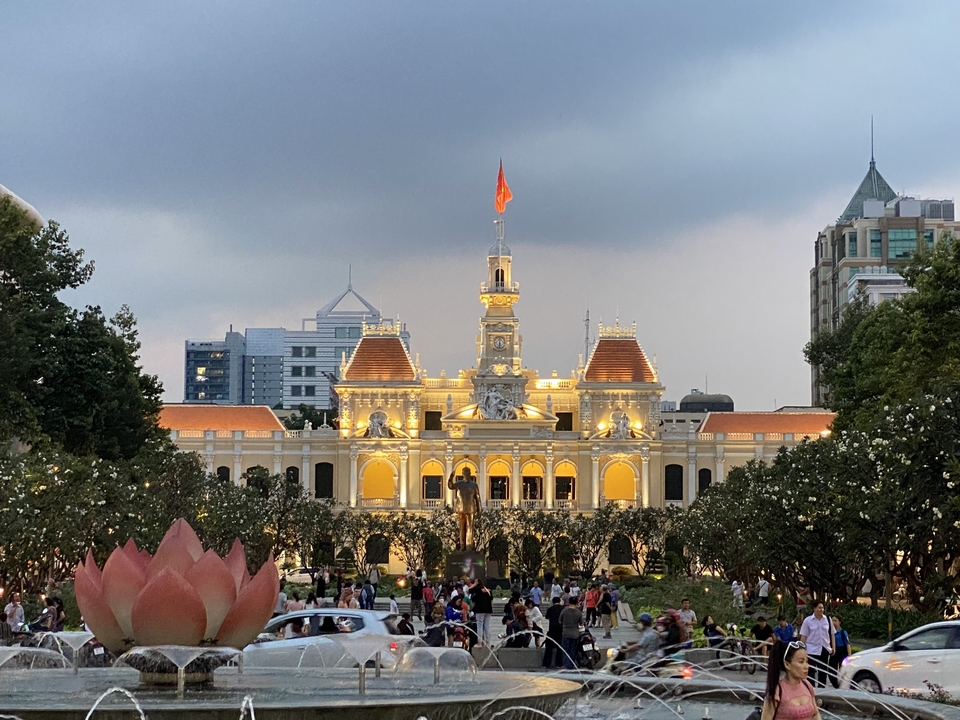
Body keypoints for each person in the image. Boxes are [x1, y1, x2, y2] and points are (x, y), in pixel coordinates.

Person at [760, 640, 821, 720]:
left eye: (806, 661)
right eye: (801, 662)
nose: (807, 666)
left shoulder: (807, 685)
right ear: (787, 664)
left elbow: (815, 714)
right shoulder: (777, 691)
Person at [800, 602, 834, 688]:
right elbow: (804, 636)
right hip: (811, 649)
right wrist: (801, 649)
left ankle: (821, 688)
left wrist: (833, 647)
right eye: (819, 607)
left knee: (823, 670)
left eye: (822, 608)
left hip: (824, 648)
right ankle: (810, 688)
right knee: (811, 670)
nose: (821, 610)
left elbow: (832, 634)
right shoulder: (808, 621)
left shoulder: (828, 619)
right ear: (814, 608)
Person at [559, 596, 583, 670]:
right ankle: (572, 665)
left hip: (566, 633)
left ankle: (566, 665)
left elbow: (560, 621)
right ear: (576, 603)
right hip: (575, 634)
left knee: (566, 650)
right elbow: (581, 623)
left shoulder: (564, 611)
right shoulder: (578, 612)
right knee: (573, 650)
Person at [469, 578, 493, 645]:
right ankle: (488, 642)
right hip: (488, 609)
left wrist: (474, 584)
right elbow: (491, 600)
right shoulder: (488, 589)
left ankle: (480, 641)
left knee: (479, 625)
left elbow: (469, 590)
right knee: (487, 626)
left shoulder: (478, 589)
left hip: (480, 609)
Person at [828, 617, 851, 688]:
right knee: (831, 670)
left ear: (839, 622)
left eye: (835, 621)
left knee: (843, 670)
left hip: (842, 652)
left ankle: (843, 685)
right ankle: (836, 685)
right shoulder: (830, 632)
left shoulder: (843, 632)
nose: (833, 622)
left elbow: (847, 644)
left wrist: (849, 656)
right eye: (832, 621)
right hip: (834, 652)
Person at [542, 597, 565, 668]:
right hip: (560, 629)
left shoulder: (550, 609)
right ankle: (558, 663)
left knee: (549, 647)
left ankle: (547, 663)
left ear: (553, 602)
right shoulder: (563, 609)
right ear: (560, 601)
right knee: (560, 646)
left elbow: (547, 617)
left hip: (551, 629)